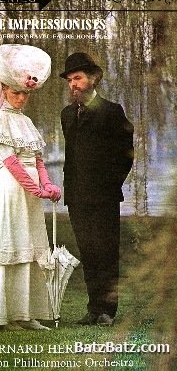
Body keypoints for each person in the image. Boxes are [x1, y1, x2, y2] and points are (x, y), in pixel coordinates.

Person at [0, 44, 61, 330]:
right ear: (4, 90)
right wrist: (36, 189)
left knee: (30, 245)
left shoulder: (26, 121)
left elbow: (37, 160)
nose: (20, 98)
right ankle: (4, 315)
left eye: (25, 94)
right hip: (13, 188)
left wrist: (48, 184)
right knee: (12, 242)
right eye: (15, 93)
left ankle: (27, 314)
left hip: (30, 191)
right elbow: (11, 162)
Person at [59, 52, 134, 326]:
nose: (73, 85)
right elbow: (72, 156)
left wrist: (110, 185)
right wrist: (70, 190)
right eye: (69, 80)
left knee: (106, 252)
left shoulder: (112, 111)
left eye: (78, 78)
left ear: (93, 78)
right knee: (88, 252)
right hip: (77, 197)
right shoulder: (67, 114)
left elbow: (126, 155)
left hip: (104, 197)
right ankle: (93, 309)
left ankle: (107, 311)